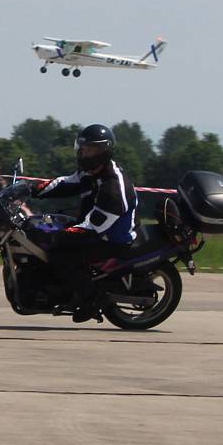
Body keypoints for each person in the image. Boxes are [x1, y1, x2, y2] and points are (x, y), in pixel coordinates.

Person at [30, 124, 138, 322]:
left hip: (111, 240)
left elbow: (94, 227)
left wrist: (59, 235)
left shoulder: (112, 187)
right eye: (83, 148)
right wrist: (31, 189)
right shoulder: (93, 171)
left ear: (103, 151)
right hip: (95, 227)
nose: (83, 152)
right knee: (51, 229)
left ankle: (90, 299)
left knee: (59, 253)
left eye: (89, 149)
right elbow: (67, 183)